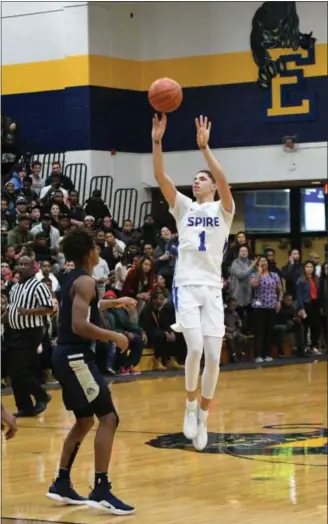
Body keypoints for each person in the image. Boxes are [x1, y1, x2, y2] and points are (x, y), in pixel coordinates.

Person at [152, 113, 234, 451]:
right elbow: (160, 176)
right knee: (196, 348)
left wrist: (205, 149)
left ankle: (203, 414)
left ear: (212, 185)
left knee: (214, 357)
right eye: (196, 178)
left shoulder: (223, 210)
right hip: (186, 284)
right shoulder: (183, 207)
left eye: (203, 178)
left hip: (212, 288)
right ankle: (188, 405)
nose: (197, 181)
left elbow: (225, 180)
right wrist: (157, 141)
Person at [47, 228, 136, 514]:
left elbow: (85, 309)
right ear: (89, 252)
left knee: (85, 420)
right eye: (96, 248)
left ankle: (61, 482)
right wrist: (115, 336)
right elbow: (79, 325)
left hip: (64, 355)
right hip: (76, 356)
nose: (99, 251)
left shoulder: (71, 277)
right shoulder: (85, 280)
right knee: (108, 418)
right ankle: (101, 488)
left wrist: (114, 302)